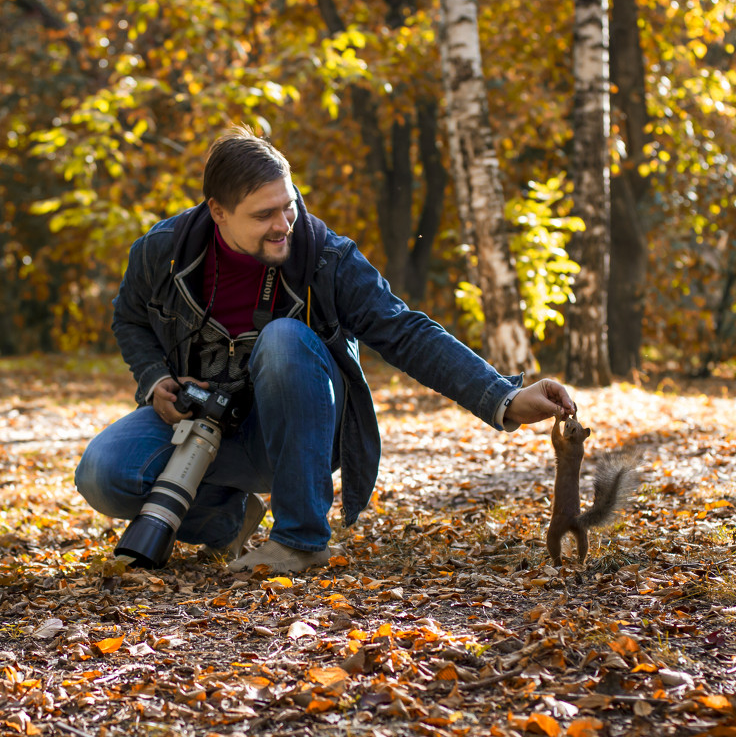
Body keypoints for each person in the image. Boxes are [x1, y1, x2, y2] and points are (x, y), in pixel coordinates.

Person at [75, 125, 576, 574]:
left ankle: (300, 540)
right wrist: (154, 378)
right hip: (202, 430)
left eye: (288, 204)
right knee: (103, 473)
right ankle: (228, 519)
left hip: (304, 436)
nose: (283, 223)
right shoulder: (162, 252)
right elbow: (130, 317)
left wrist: (504, 398)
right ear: (218, 212)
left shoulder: (327, 259)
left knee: (285, 338)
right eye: (264, 214)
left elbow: (406, 332)